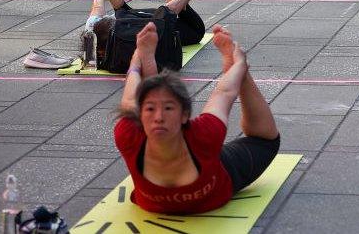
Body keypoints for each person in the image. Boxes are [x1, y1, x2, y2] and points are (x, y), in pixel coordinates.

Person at [115, 22, 280, 214]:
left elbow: (224, 93)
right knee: (137, 99)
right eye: (150, 110)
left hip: (219, 172)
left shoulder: (203, 135)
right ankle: (144, 63)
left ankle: (239, 72)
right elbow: (130, 99)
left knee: (266, 140)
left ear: (185, 115)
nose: (159, 117)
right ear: (140, 115)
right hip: (200, 164)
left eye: (168, 109)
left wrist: (240, 65)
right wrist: (135, 65)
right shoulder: (129, 134)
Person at [87, 0, 206, 68]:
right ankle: (120, 8)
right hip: (131, 19)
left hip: (137, 25)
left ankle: (173, 2)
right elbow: (98, 2)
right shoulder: (91, 28)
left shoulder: (94, 56)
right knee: (197, 31)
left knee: (160, 18)